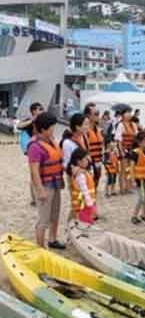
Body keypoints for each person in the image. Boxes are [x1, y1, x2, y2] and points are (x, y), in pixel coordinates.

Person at [27, 112, 65, 249]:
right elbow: (34, 171)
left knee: (55, 215)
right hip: (46, 186)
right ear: (43, 129)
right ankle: (40, 248)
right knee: (43, 220)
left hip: (55, 183)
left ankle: (53, 240)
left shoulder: (51, 141)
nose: (53, 130)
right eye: (51, 128)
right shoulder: (35, 147)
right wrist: (40, 190)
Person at [61, 113, 90, 224]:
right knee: (75, 206)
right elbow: (67, 165)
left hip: (85, 175)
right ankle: (69, 231)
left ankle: (79, 230)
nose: (88, 127)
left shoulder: (83, 137)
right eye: (85, 124)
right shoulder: (67, 143)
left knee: (84, 205)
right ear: (77, 127)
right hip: (75, 178)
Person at [17, 102, 44, 206]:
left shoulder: (42, 121)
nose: (42, 110)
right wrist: (31, 121)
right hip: (32, 150)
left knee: (39, 173)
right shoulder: (30, 121)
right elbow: (19, 126)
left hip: (41, 149)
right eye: (40, 109)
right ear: (34, 111)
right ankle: (34, 199)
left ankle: (37, 197)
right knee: (34, 174)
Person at [67, 148, 96, 225]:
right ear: (79, 161)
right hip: (84, 205)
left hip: (83, 204)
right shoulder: (80, 174)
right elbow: (84, 190)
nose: (88, 161)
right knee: (85, 224)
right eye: (86, 159)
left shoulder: (82, 172)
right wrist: (90, 204)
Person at [129, 131, 145, 224]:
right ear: (140, 142)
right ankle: (134, 216)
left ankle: (144, 214)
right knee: (141, 198)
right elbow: (131, 167)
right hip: (138, 177)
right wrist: (132, 179)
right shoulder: (135, 153)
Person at [115, 106, 138, 194]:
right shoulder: (120, 125)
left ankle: (128, 187)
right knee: (123, 169)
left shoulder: (133, 125)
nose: (129, 114)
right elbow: (118, 139)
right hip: (124, 149)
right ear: (122, 115)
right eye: (126, 113)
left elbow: (136, 137)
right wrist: (121, 151)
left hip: (131, 149)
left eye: (130, 112)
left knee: (130, 169)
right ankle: (122, 188)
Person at [84, 103, 103, 189]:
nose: (98, 116)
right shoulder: (85, 130)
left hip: (98, 161)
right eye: (95, 114)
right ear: (88, 115)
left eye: (98, 113)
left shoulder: (97, 129)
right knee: (89, 185)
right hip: (89, 162)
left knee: (96, 182)